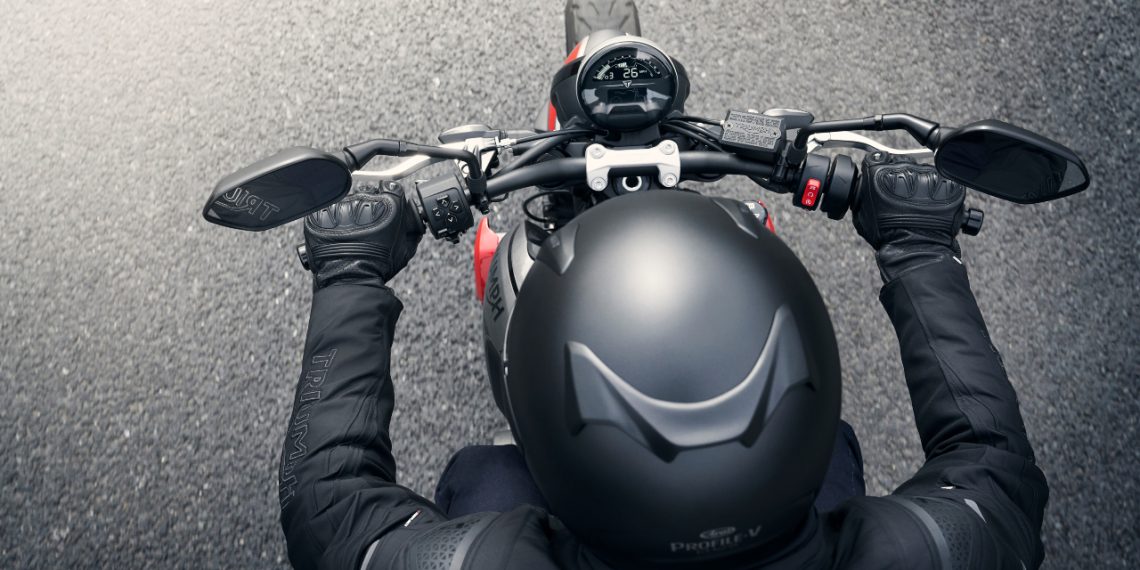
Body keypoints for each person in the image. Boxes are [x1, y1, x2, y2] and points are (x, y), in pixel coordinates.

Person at [277, 154, 1048, 569]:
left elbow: (330, 507)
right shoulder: (918, 550)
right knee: (841, 454)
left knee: (484, 475)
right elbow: (993, 465)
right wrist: (920, 250)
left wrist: (350, 274)